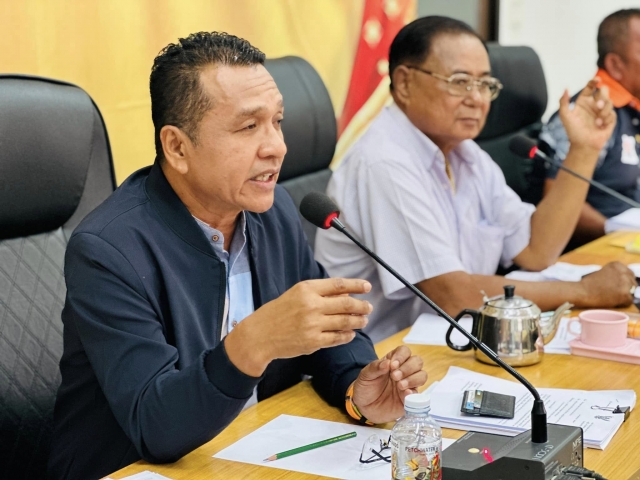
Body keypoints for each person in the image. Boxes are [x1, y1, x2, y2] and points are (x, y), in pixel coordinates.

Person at [47, 32, 428, 480]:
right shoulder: (108, 250)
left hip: (254, 452)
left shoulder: (273, 210)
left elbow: (326, 331)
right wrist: (255, 343)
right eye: (249, 127)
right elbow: (155, 426)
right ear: (177, 147)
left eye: (277, 121)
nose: (277, 146)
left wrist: (356, 388)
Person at [314, 16, 637, 343]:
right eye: (460, 82)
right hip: (377, 356)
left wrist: (584, 149)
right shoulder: (382, 163)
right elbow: (454, 296)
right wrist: (584, 291)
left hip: (446, 341)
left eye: (485, 84)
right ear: (405, 82)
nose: (477, 99)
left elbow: (537, 250)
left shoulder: (466, 155)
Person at [540, 9, 640, 245]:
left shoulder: (634, 107)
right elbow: (556, 200)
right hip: (598, 248)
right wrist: (614, 232)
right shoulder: (588, 115)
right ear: (615, 65)